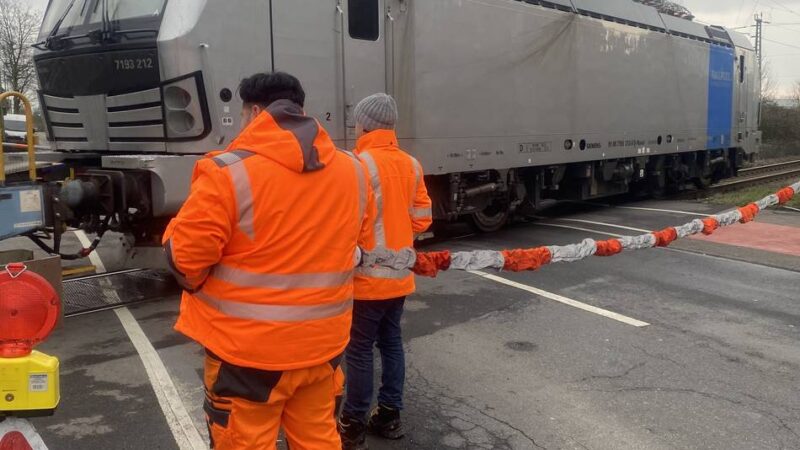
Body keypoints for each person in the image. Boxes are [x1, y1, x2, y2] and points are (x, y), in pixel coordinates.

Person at [163, 72, 375, 450]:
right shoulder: (354, 170)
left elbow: (186, 258)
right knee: (319, 441)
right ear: (301, 110)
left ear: (255, 112)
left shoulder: (226, 172)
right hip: (322, 348)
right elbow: (358, 247)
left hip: (247, 358)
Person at [338, 94, 433, 450]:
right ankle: (389, 415)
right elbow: (423, 219)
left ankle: (353, 423)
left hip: (365, 279)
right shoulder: (412, 164)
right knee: (391, 342)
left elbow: (346, 223)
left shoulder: (357, 164)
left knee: (360, 349)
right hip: (400, 275)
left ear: (364, 124)